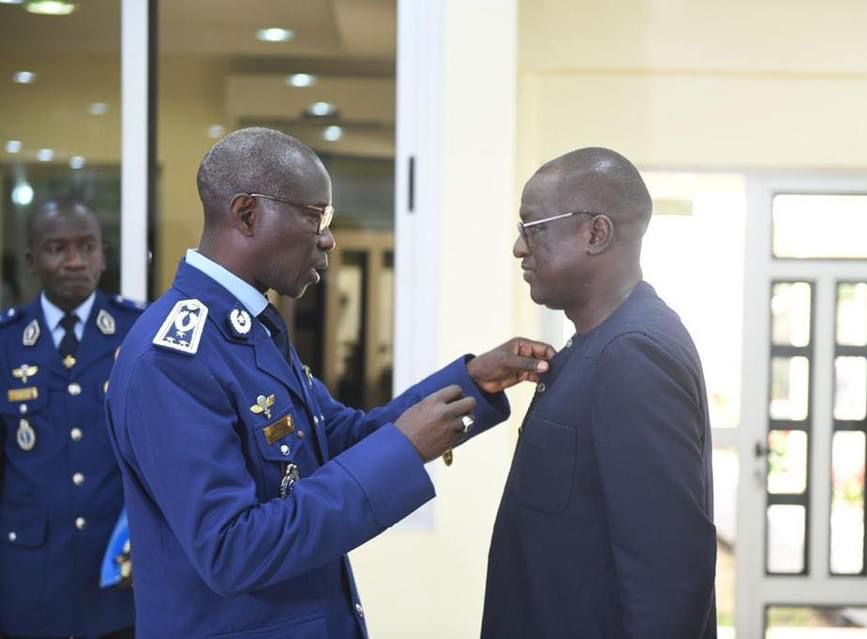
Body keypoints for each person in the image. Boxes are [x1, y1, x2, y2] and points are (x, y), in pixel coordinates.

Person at [105, 127, 554, 639]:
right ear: (247, 214)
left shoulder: (248, 329)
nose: (328, 238)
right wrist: (404, 449)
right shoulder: (172, 358)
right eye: (314, 216)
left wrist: (472, 385)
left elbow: (336, 440)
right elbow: (231, 549)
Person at [481, 148, 717, 638]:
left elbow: (667, 579)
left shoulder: (634, 354)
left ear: (596, 233)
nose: (519, 248)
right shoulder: (596, 344)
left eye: (533, 228)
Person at [0, 199, 140, 637]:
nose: (75, 261)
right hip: (30, 577)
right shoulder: (6, 343)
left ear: (103, 256)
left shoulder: (138, 332)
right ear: (31, 261)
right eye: (57, 248)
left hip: (119, 575)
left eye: (87, 247)